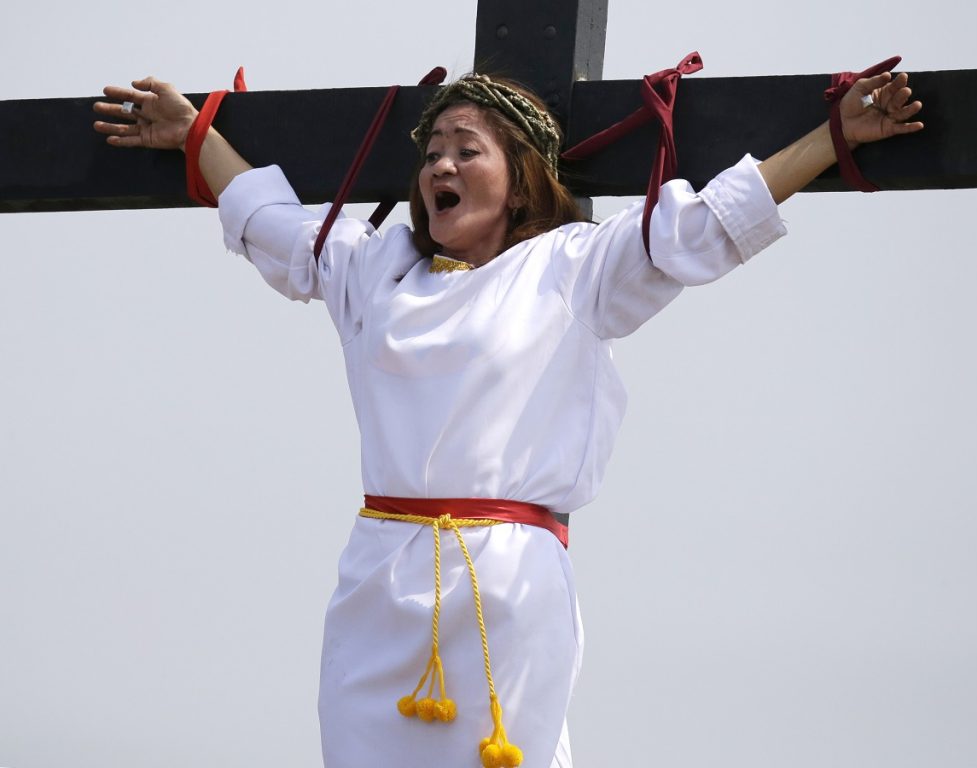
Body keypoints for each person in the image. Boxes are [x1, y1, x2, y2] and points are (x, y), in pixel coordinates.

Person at [93, 66, 922, 768]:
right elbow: (273, 227)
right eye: (431, 153)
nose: (438, 166)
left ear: (520, 175)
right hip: (378, 577)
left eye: (466, 150)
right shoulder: (374, 269)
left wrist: (834, 137)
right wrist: (194, 135)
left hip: (507, 582)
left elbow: (701, 229)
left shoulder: (574, 265)